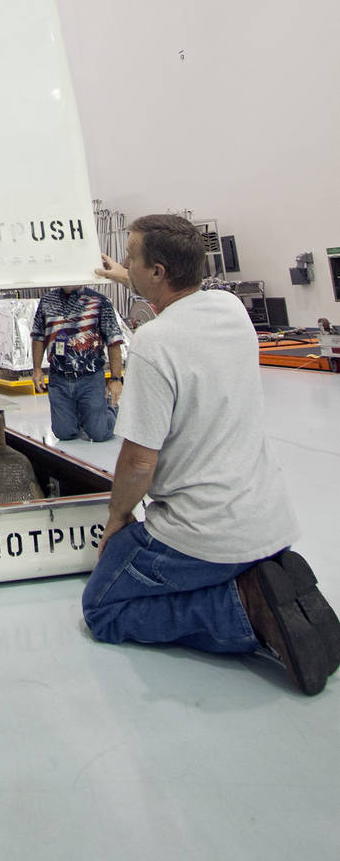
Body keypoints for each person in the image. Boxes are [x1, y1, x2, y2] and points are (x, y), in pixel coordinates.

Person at [83, 214, 340, 696]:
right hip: (267, 518)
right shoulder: (229, 309)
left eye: (131, 256)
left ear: (158, 271)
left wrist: (117, 516)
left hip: (204, 533)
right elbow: (182, 305)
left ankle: (244, 608)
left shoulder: (154, 345)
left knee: (104, 609)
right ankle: (260, 583)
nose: (124, 262)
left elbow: (139, 462)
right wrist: (126, 279)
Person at [31, 283, 124, 442]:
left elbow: (113, 342)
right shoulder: (47, 301)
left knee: (99, 434)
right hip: (59, 378)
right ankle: (84, 415)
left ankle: (110, 409)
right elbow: (38, 337)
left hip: (90, 378)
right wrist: (37, 369)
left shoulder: (100, 302)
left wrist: (116, 379)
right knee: (64, 433)